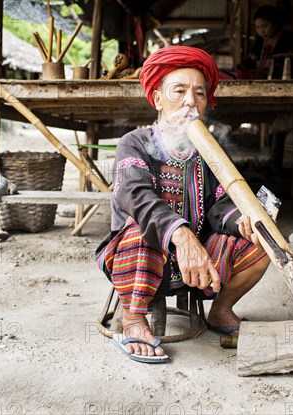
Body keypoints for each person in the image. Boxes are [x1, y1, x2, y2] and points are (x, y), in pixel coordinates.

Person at [96, 46, 270, 363]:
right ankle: (134, 319)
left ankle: (220, 311)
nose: (191, 101)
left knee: (261, 242)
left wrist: (241, 220)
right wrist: (180, 234)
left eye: (199, 94)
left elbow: (220, 204)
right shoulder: (134, 142)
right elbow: (136, 196)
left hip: (197, 264)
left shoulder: (207, 150)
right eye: (179, 91)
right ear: (158, 99)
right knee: (141, 230)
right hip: (140, 259)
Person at [245, 4, 293, 79]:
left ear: (275, 23)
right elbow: (249, 62)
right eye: (258, 28)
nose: (261, 31)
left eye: (264, 26)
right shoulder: (260, 41)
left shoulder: (290, 39)